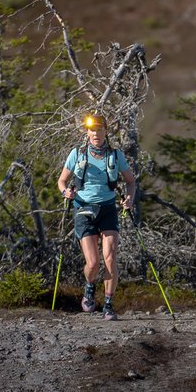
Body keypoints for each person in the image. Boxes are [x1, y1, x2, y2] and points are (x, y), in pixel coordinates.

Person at [57, 113, 137, 320]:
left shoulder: (115, 155)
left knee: (110, 258)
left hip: (108, 208)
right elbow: (62, 181)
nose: (96, 134)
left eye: (100, 129)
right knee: (93, 263)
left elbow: (130, 181)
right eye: (92, 130)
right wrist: (66, 192)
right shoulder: (77, 154)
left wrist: (129, 198)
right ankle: (90, 287)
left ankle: (109, 304)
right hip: (83, 208)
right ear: (87, 132)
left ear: (106, 132)